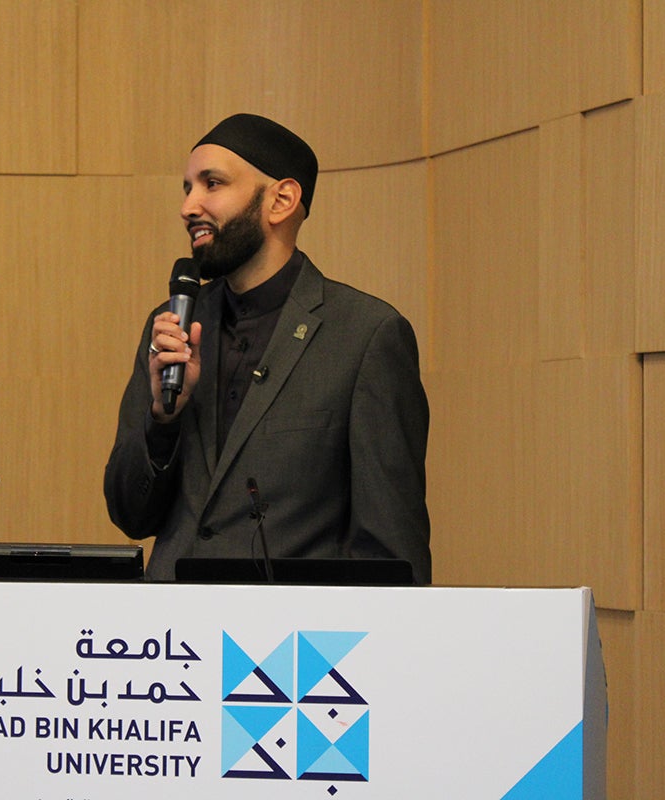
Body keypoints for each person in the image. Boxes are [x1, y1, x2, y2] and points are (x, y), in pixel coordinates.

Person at [104, 113, 430, 583]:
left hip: (294, 629)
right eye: (187, 188)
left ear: (281, 200)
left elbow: (392, 549)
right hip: (172, 623)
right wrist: (162, 420)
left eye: (212, 183)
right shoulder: (174, 326)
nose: (189, 206)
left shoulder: (366, 335)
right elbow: (129, 515)